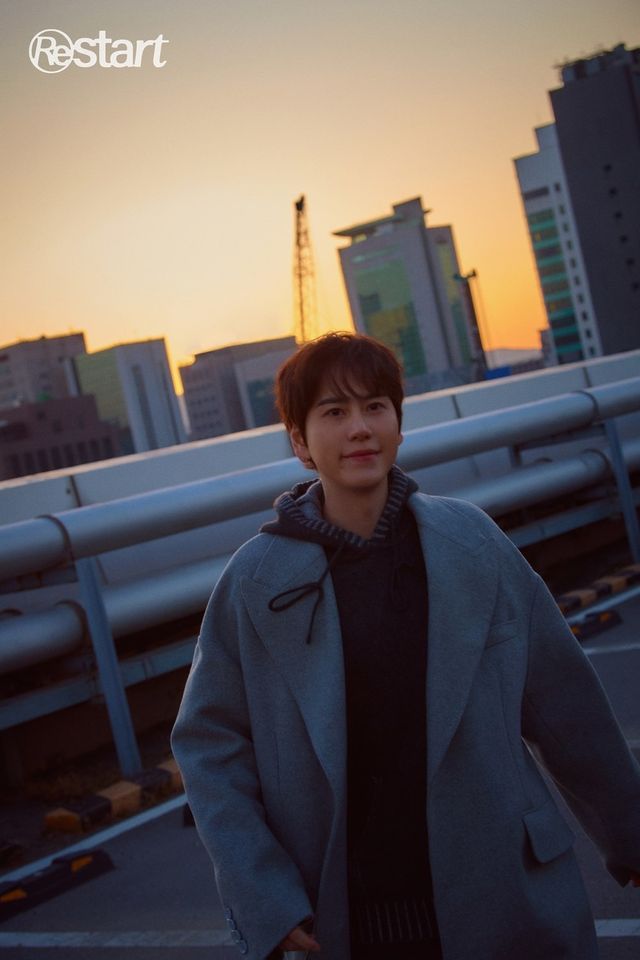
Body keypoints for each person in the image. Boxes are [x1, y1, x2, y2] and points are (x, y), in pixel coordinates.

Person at [171, 332, 640, 960]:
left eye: (375, 407)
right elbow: (210, 747)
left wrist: (630, 835)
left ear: (398, 423)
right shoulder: (256, 581)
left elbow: (564, 701)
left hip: (505, 893)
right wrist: (263, 897)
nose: (359, 428)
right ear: (300, 442)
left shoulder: (472, 544)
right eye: (334, 412)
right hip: (345, 918)